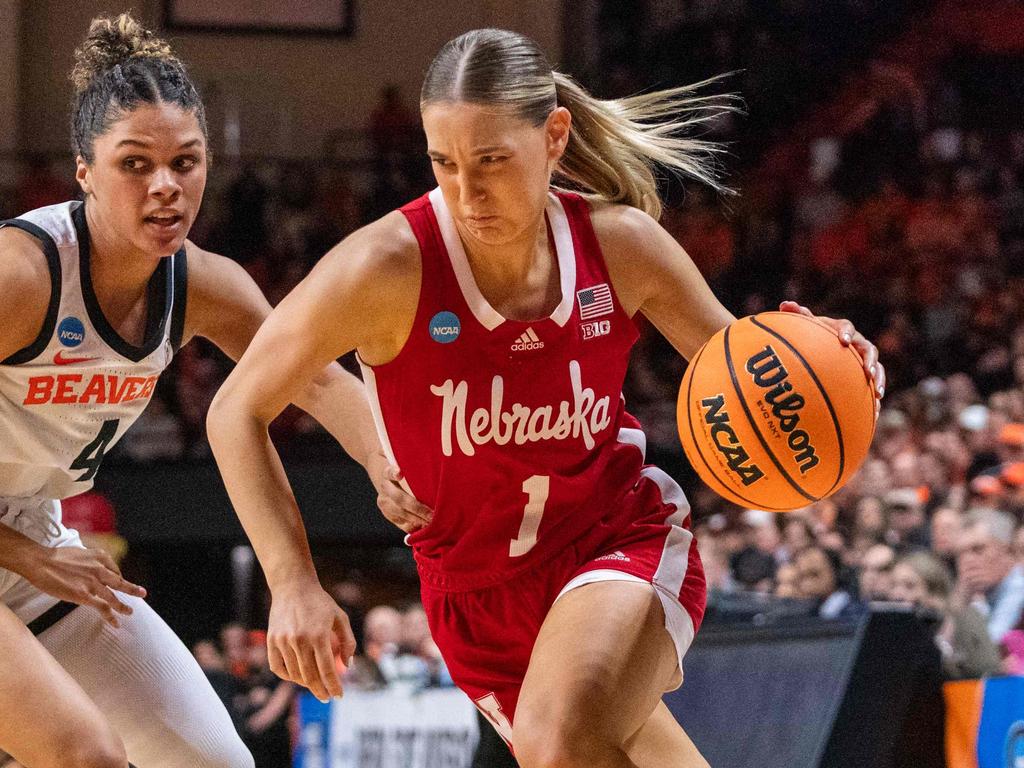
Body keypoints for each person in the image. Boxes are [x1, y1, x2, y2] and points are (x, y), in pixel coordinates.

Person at [208, 29, 883, 767]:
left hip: (614, 538)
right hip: (472, 599)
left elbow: (745, 371)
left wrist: (829, 358)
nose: (467, 191)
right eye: (444, 161)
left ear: (554, 136)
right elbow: (236, 411)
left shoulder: (620, 245)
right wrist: (292, 582)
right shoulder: (383, 265)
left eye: (492, 159)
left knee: (558, 740)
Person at [0, 13, 420, 767]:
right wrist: (23, 555)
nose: (165, 186)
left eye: (185, 162)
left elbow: (319, 382)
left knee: (214, 761)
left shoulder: (204, 285)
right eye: (134, 164)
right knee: (83, 753)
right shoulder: (21, 276)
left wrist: (403, 475)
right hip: (22, 548)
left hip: (32, 537)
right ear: (84, 170)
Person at [890, 551, 1001, 679]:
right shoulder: (890, 630)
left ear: (934, 592)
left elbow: (987, 668)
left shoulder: (964, 619)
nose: (898, 595)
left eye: (910, 586)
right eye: (893, 585)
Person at [956, 507, 1024, 644]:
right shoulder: (974, 595)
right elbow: (944, 647)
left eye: (978, 549)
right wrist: (960, 600)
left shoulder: (1019, 588)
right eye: (961, 553)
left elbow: (991, 648)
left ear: (1007, 551)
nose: (968, 560)